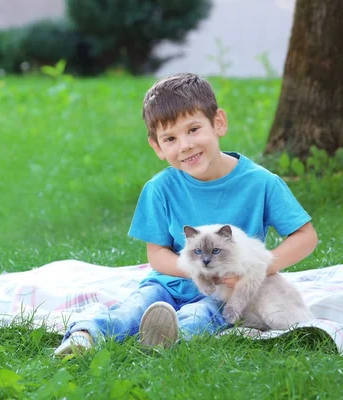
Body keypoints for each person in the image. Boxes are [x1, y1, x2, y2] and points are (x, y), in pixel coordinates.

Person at [54, 72, 318, 356]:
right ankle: (85, 336)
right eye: (170, 138)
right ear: (157, 146)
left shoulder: (261, 182)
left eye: (193, 130)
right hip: (167, 283)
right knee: (133, 307)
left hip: (224, 290)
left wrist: (258, 269)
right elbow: (156, 255)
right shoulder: (160, 189)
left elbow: (306, 236)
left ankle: (166, 341)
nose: (185, 146)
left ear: (218, 123)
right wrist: (197, 271)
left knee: (200, 317)